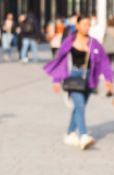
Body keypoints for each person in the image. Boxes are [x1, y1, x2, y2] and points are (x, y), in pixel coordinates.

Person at [43, 14, 113, 150]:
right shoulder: (69, 41)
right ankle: (84, 135)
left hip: (89, 77)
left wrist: (109, 80)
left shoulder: (93, 42)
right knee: (80, 106)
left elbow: (104, 61)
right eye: (84, 24)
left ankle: (69, 133)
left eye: (88, 25)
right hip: (74, 76)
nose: (87, 27)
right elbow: (61, 60)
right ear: (78, 25)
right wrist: (57, 80)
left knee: (79, 107)